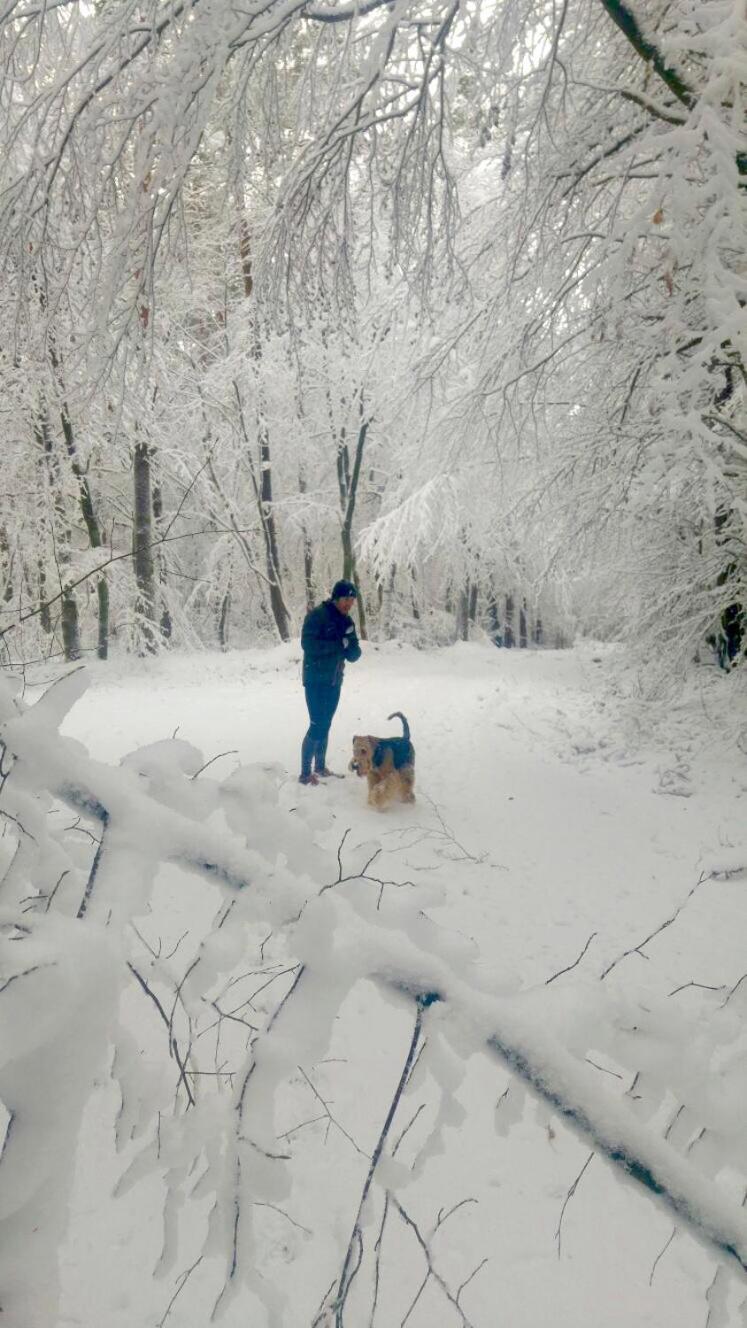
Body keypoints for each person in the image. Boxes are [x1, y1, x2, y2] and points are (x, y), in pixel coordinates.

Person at [299, 580, 362, 785]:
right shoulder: (317, 616)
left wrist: (349, 645)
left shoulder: (347, 622)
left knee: (326, 725)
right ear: (336, 598)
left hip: (334, 680)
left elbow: (354, 654)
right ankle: (305, 774)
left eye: (352, 600)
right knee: (317, 725)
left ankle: (320, 767)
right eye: (346, 599)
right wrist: (338, 644)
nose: (349, 604)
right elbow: (308, 645)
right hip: (315, 679)